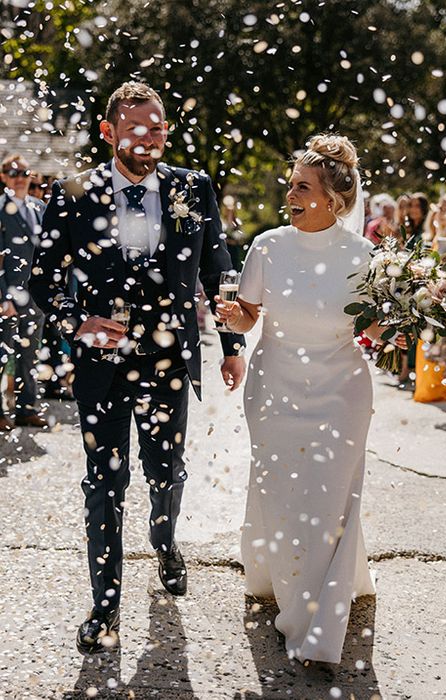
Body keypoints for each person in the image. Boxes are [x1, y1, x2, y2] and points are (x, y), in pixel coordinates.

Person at [30, 81, 246, 655]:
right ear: (109, 133)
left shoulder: (192, 187)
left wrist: (230, 344)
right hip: (101, 364)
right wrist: (78, 322)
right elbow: (43, 280)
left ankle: (165, 538)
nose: (149, 139)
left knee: (166, 468)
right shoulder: (73, 191)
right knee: (105, 479)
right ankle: (104, 608)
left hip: (171, 357)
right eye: (136, 129)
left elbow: (218, 269)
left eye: (158, 128)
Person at [218, 134, 390, 666]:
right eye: (290, 184)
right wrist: (233, 320)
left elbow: (375, 329)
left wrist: (402, 324)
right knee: (285, 495)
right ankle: (284, 580)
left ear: (334, 200)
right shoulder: (267, 245)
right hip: (275, 386)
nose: (288, 194)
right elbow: (250, 313)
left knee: (329, 499)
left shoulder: (364, 255)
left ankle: (315, 621)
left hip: (341, 391)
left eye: (301, 186)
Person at [0, 153, 47, 430]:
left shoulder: (40, 207)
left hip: (35, 296)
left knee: (29, 355)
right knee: (2, 355)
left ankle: (27, 408)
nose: (20, 179)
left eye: (24, 173)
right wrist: (3, 295)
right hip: (7, 295)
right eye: (14, 173)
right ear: (4, 177)